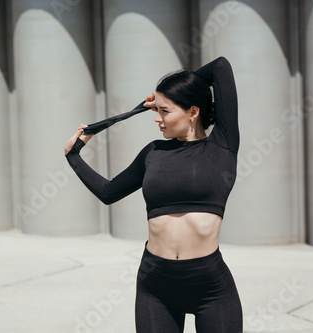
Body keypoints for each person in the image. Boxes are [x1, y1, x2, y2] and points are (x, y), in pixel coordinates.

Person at [63, 56, 242, 333]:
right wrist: (73, 156)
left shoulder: (222, 145)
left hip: (211, 288)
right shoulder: (153, 152)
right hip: (155, 285)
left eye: (165, 111)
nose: (157, 118)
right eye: (156, 109)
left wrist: (179, 88)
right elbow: (108, 192)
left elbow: (220, 67)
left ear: (193, 111)